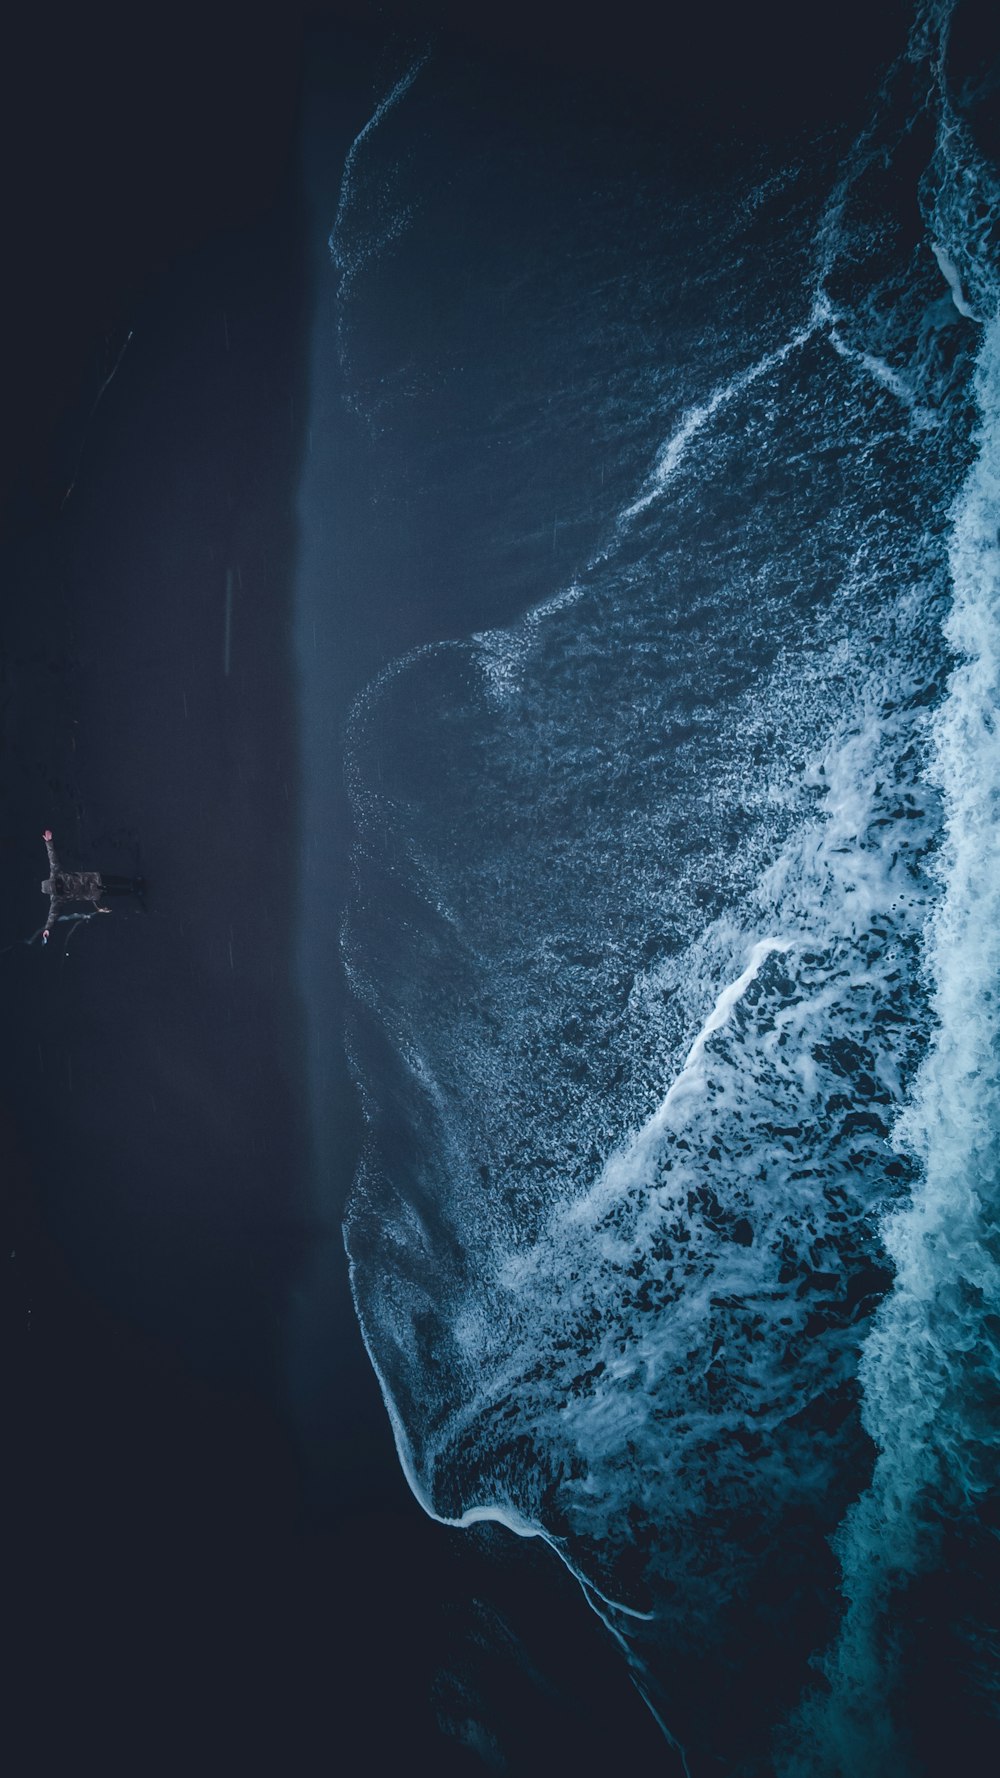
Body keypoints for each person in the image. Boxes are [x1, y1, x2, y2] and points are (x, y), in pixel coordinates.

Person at [40, 829, 144, 943]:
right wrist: (48, 928)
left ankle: (133, 883)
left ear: (54, 881)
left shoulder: (56, 873)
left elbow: (52, 859)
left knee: (114, 880)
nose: (60, 887)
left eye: (58, 885)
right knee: (113, 891)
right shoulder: (57, 899)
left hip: (92, 879)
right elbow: (53, 914)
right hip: (91, 893)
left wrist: (49, 842)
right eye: (58, 889)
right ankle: (133, 891)